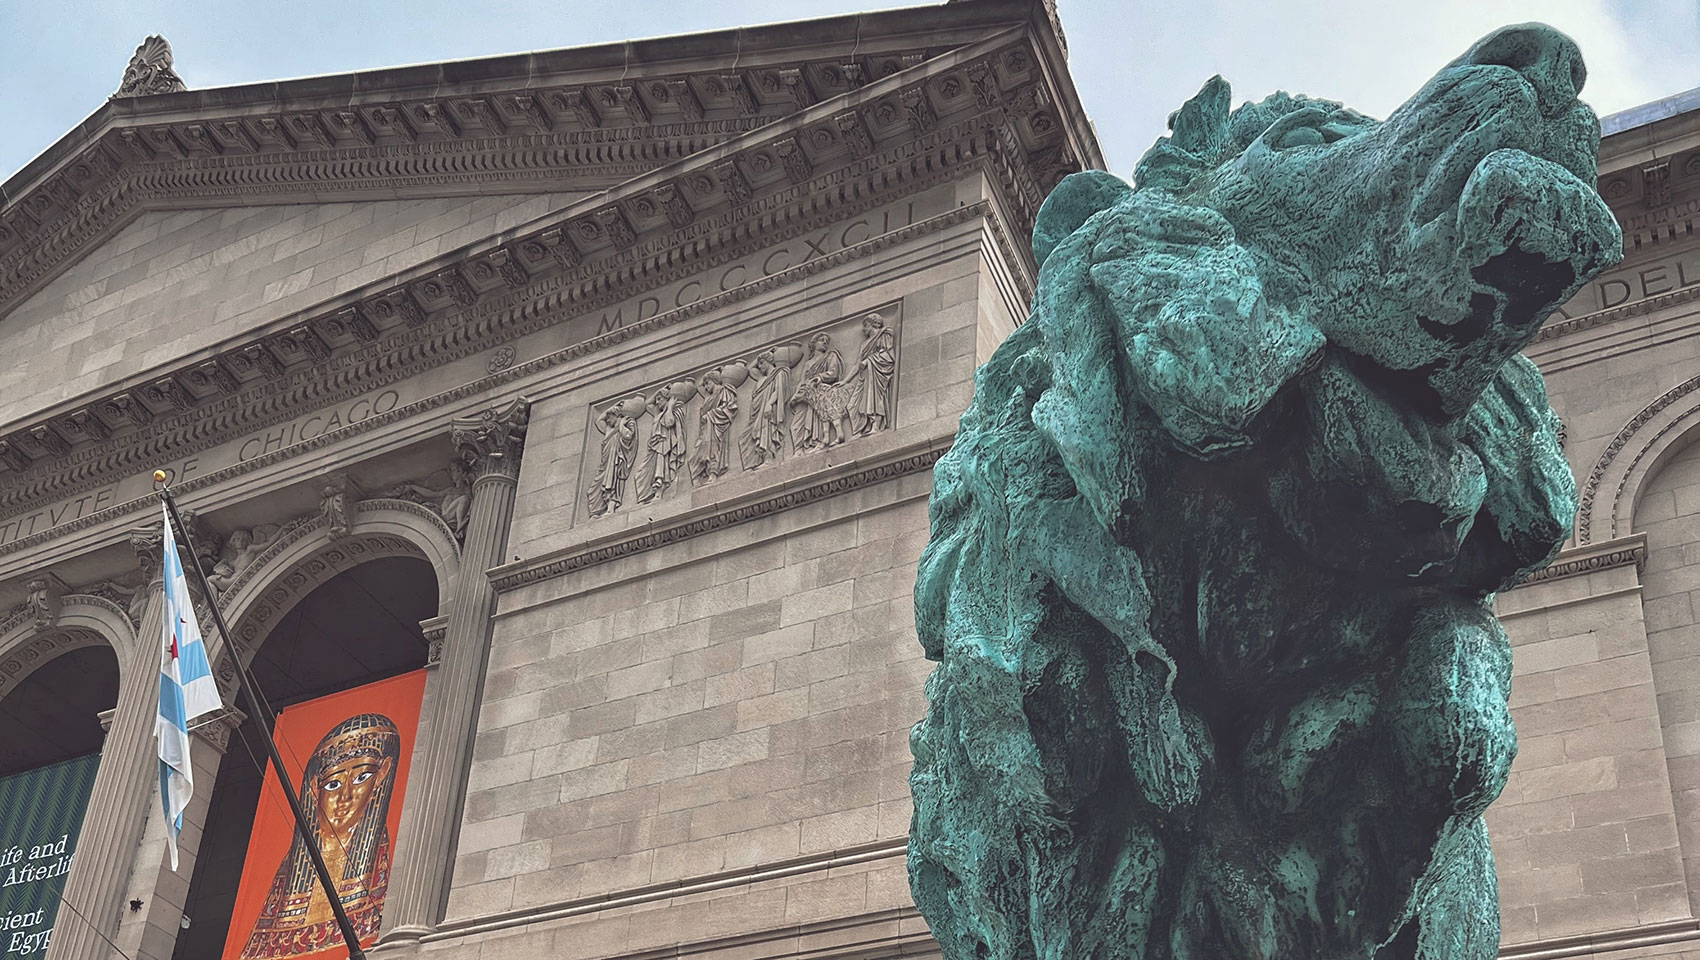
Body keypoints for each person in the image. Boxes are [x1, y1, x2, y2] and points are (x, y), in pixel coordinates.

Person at [237, 714, 401, 958]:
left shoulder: (382, 861)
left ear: (381, 776)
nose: (345, 797)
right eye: (333, 784)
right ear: (315, 787)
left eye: (361, 778)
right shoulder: (290, 875)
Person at [788, 333, 846, 450]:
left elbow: (833, 373)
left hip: (822, 392)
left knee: (827, 412)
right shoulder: (808, 364)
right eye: (821, 340)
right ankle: (800, 449)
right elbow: (802, 382)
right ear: (813, 344)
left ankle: (826, 438)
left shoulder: (831, 355)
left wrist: (820, 377)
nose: (825, 342)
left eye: (826, 341)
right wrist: (796, 395)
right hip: (808, 395)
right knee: (795, 426)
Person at [587, 401, 640, 516]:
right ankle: (598, 510)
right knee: (594, 488)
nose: (607, 420)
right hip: (605, 464)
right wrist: (614, 405)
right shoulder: (608, 429)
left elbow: (628, 436)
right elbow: (598, 421)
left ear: (616, 416)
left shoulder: (626, 423)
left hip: (616, 461)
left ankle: (610, 508)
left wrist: (620, 424)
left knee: (613, 481)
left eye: (609, 417)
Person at [852, 313, 896, 435]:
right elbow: (857, 364)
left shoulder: (885, 335)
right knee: (853, 404)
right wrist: (845, 381)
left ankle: (875, 425)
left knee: (876, 398)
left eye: (866, 325)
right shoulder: (864, 344)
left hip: (878, 373)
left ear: (873, 324)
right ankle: (860, 428)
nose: (863, 329)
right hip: (866, 376)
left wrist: (869, 361)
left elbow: (889, 356)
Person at [744, 350, 789, 467]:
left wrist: (769, 404)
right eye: (758, 364)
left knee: (767, 430)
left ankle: (768, 459)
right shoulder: (762, 378)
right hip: (760, 411)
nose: (759, 366)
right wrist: (765, 353)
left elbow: (778, 390)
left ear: (769, 362)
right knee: (759, 432)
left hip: (768, 409)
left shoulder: (779, 373)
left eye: (762, 363)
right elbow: (750, 368)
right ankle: (763, 458)